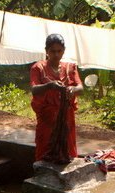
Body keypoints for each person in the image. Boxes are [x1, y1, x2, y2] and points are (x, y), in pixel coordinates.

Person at [30, 33, 83, 164]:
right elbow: (34, 89)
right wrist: (50, 85)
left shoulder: (70, 68)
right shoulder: (38, 68)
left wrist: (73, 90)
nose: (56, 54)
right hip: (47, 117)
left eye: (59, 51)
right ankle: (43, 176)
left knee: (67, 146)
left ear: (63, 51)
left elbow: (80, 88)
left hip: (66, 116)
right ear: (46, 51)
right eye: (52, 51)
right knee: (45, 145)